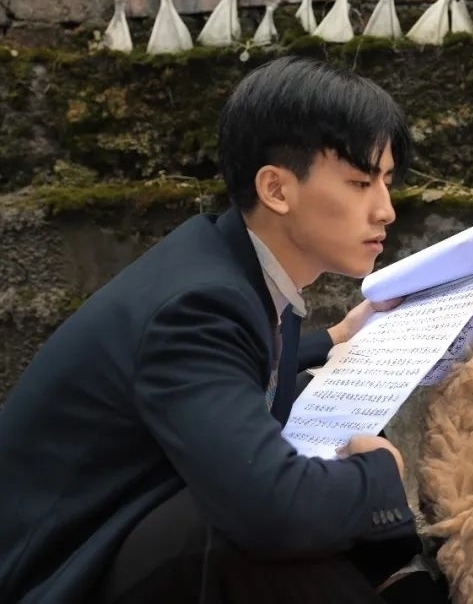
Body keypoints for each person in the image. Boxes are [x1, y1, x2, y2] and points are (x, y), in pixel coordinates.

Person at [0, 57, 445, 604]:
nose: (386, 210)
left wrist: (335, 338)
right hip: (53, 578)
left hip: (117, 538)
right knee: (236, 526)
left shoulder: (230, 268)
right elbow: (272, 508)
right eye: (360, 182)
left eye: (386, 182)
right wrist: (380, 474)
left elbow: (234, 368)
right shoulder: (198, 305)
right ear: (276, 189)